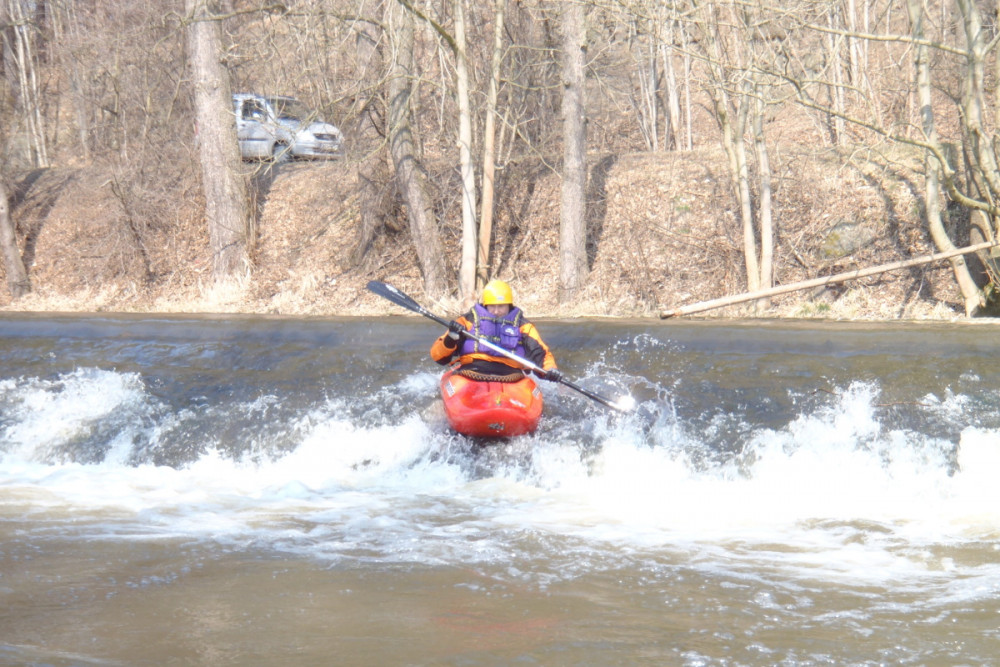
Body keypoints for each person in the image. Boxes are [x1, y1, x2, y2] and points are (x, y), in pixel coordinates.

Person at [430, 279, 562, 382]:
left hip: (512, 377)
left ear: (509, 305)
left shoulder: (524, 326)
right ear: (485, 305)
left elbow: (541, 353)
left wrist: (551, 370)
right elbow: (438, 357)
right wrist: (451, 337)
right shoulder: (467, 321)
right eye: (492, 306)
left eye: (501, 306)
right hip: (471, 373)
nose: (496, 311)